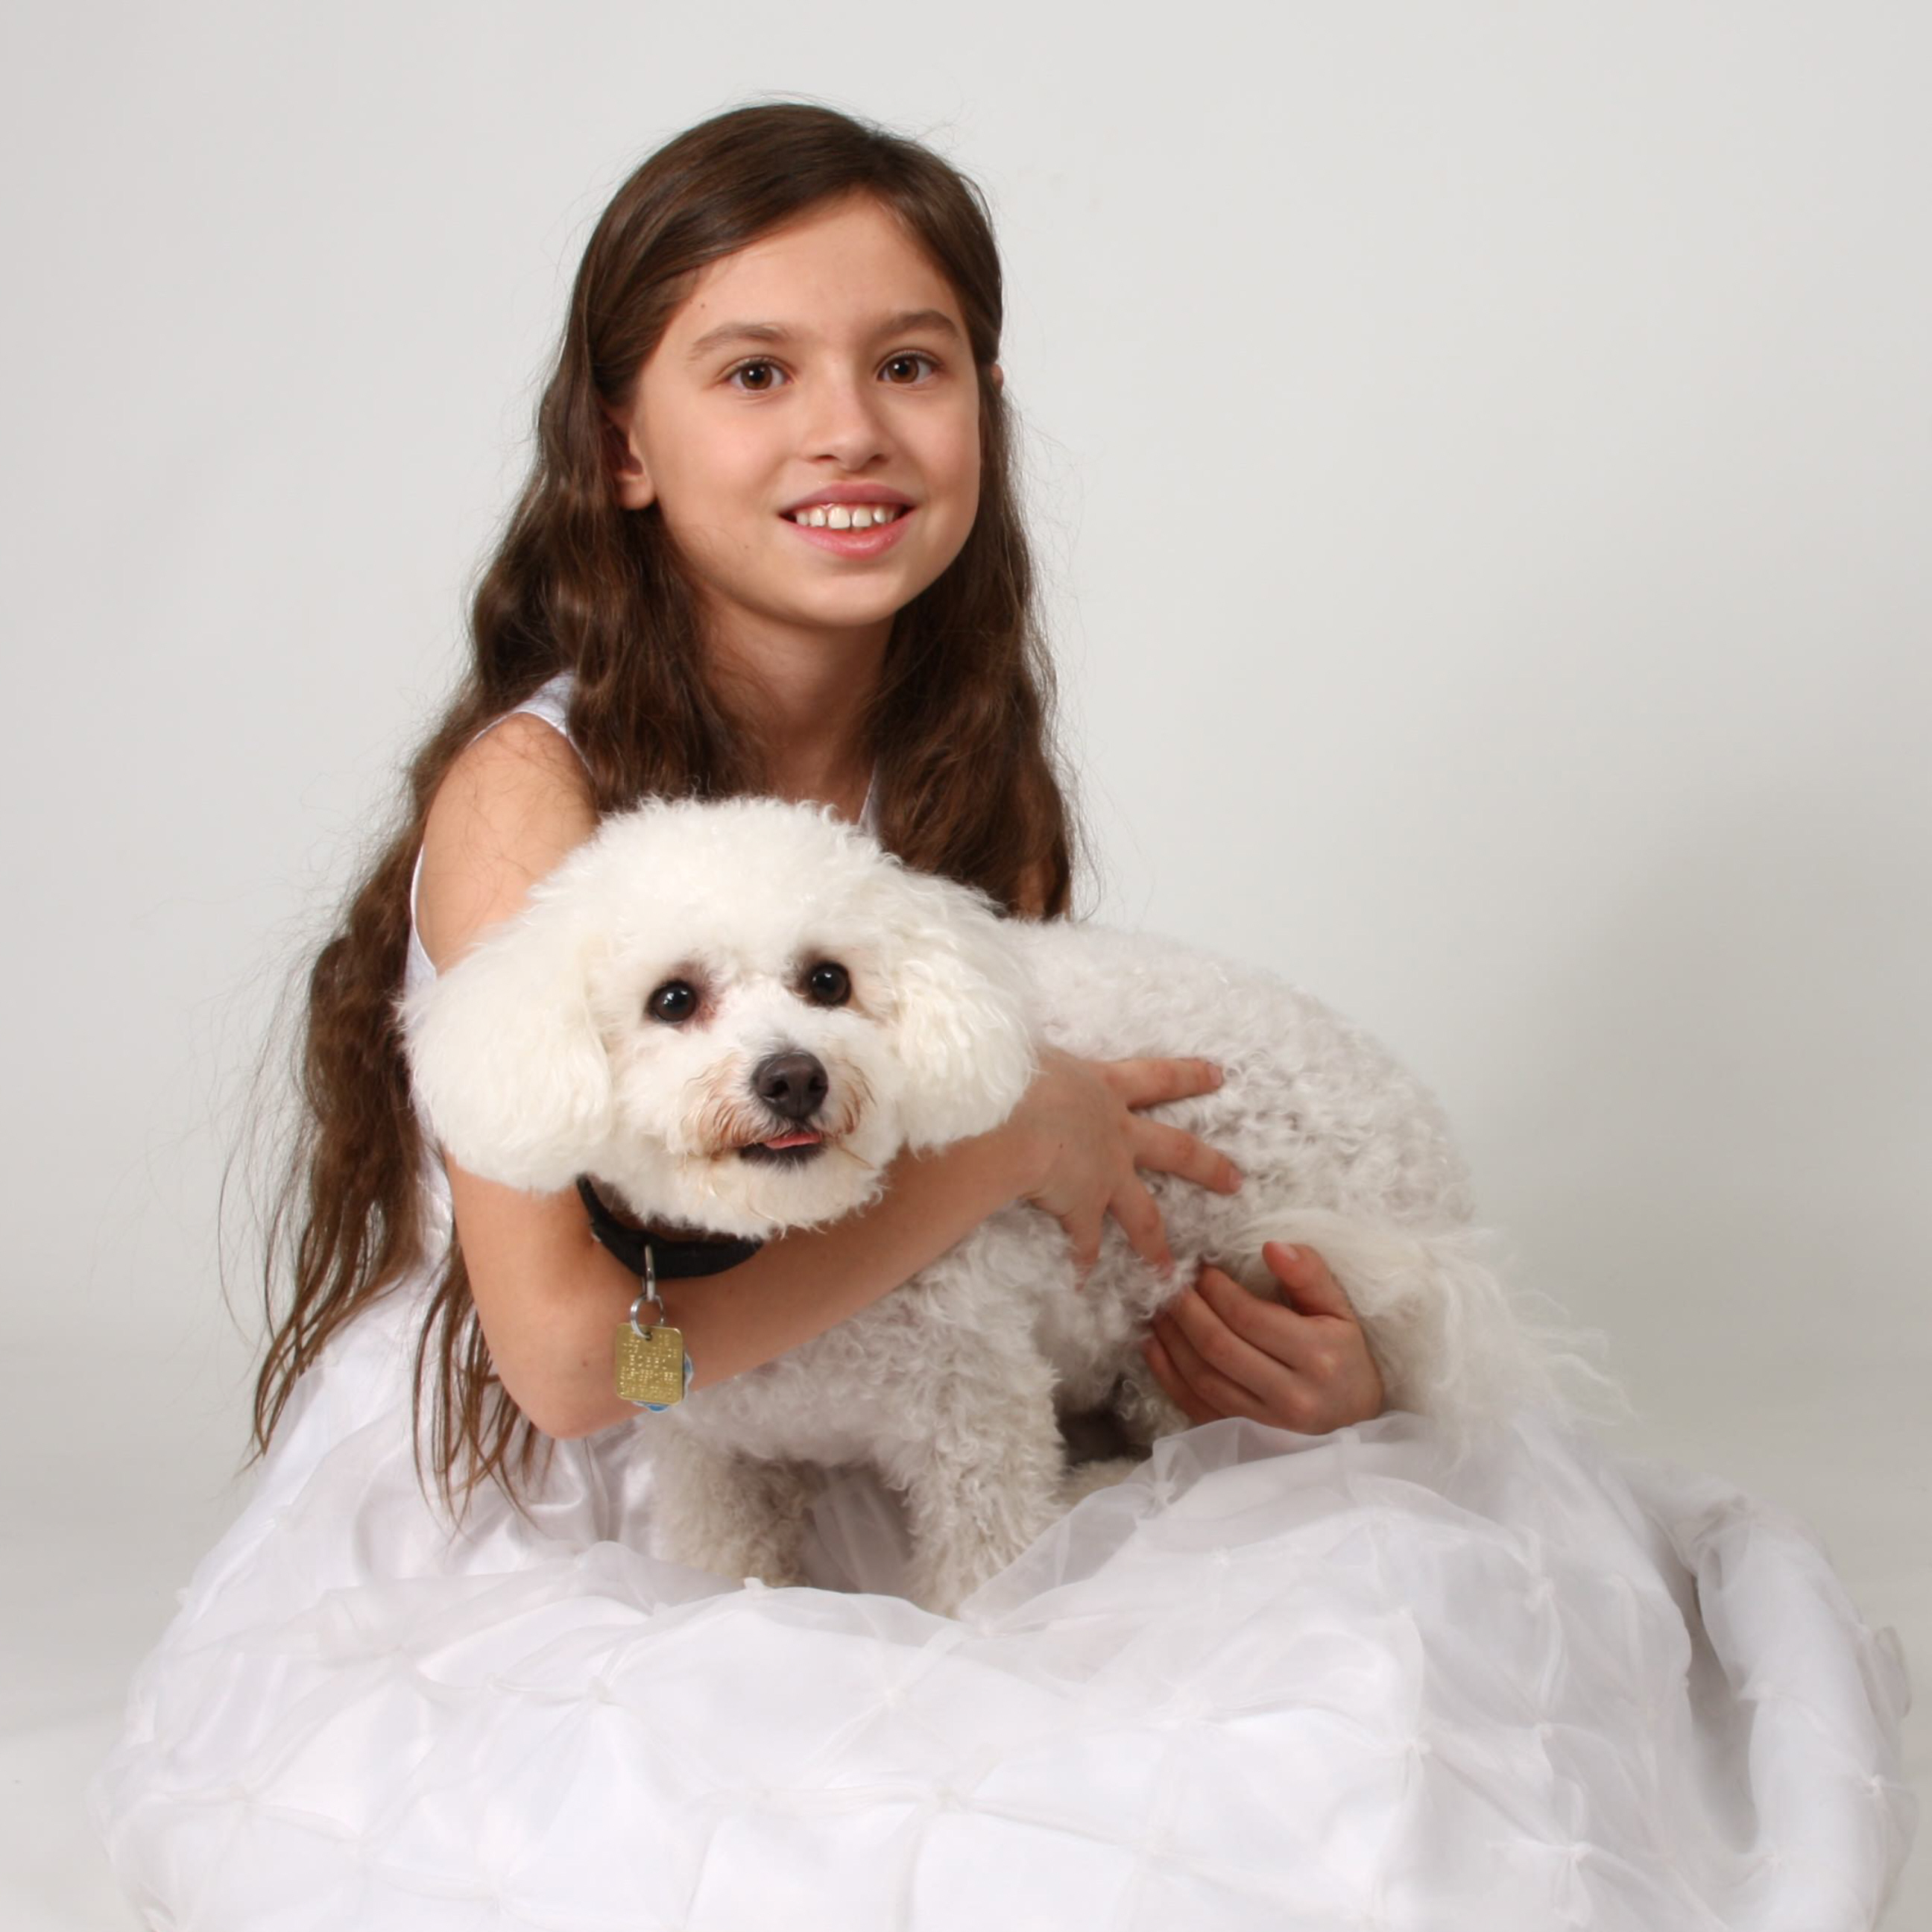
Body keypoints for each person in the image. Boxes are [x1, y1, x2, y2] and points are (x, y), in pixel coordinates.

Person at [94, 104, 1910, 1931]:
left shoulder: (954, 766)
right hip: (613, 1456)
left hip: (918, 1403)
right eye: (756, 372)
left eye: (910, 363)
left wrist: (1311, 1370)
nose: (849, 429)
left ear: (984, 404)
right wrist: (1005, 1152)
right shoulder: (532, 798)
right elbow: (576, 1367)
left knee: (1380, 1680)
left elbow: (1018, 1262)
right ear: (620, 444)